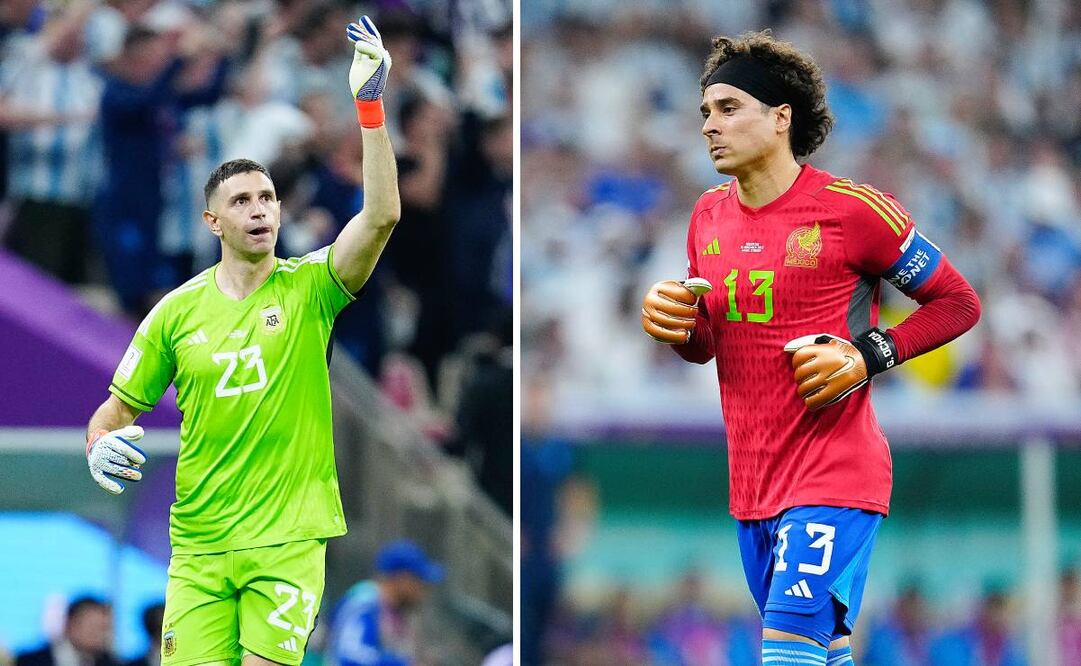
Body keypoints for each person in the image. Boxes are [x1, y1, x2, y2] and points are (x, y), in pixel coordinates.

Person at [639, 30, 981, 664]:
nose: (710, 125)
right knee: (824, 656)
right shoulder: (706, 217)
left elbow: (959, 303)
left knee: (786, 656)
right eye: (705, 113)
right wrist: (682, 330)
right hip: (753, 483)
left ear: (779, 119)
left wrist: (868, 354)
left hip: (833, 473)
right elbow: (711, 345)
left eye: (728, 107)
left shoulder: (852, 211)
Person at [82, 15, 400, 665]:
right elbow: (115, 412)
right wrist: (98, 444)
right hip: (198, 548)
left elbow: (382, 215)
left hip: (287, 540)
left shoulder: (311, 286)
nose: (259, 209)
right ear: (212, 219)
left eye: (267, 198)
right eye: (242, 200)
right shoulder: (174, 313)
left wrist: (369, 110)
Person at [326, 540, 445, 666]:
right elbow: (348, 656)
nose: (423, 591)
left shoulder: (395, 610)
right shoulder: (364, 603)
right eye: (419, 581)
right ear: (402, 579)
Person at [16, 596, 120, 666]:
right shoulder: (30, 661)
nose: (101, 635)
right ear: (70, 624)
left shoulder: (111, 662)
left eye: (105, 628)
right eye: (93, 627)